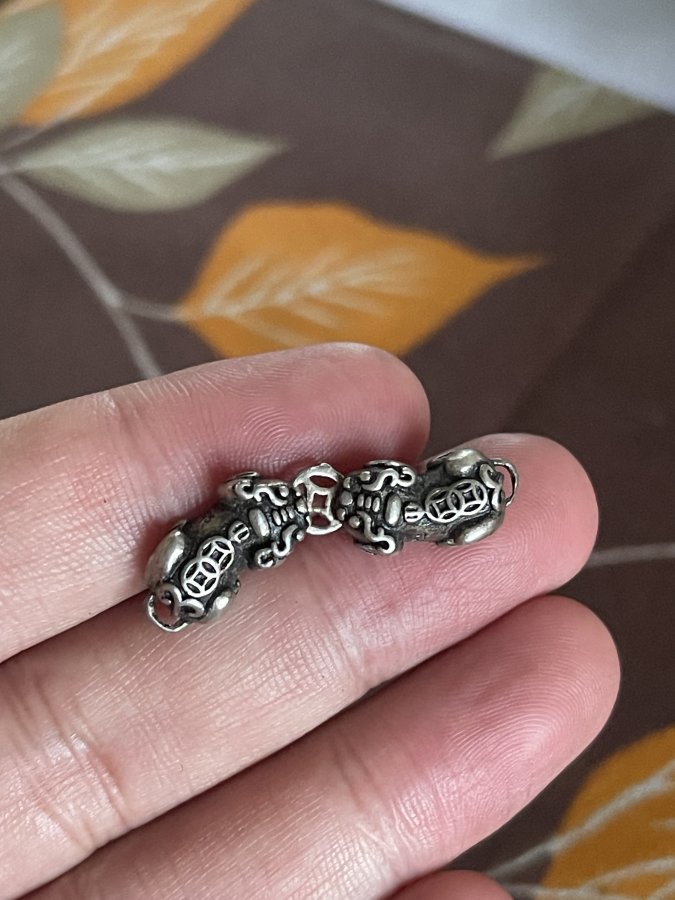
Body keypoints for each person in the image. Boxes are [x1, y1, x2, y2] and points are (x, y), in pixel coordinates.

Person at [0, 343, 619, 899]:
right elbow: (263, 519)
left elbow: (378, 526)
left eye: (468, 503)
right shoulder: (251, 536)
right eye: (467, 492)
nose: (461, 499)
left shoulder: (403, 515)